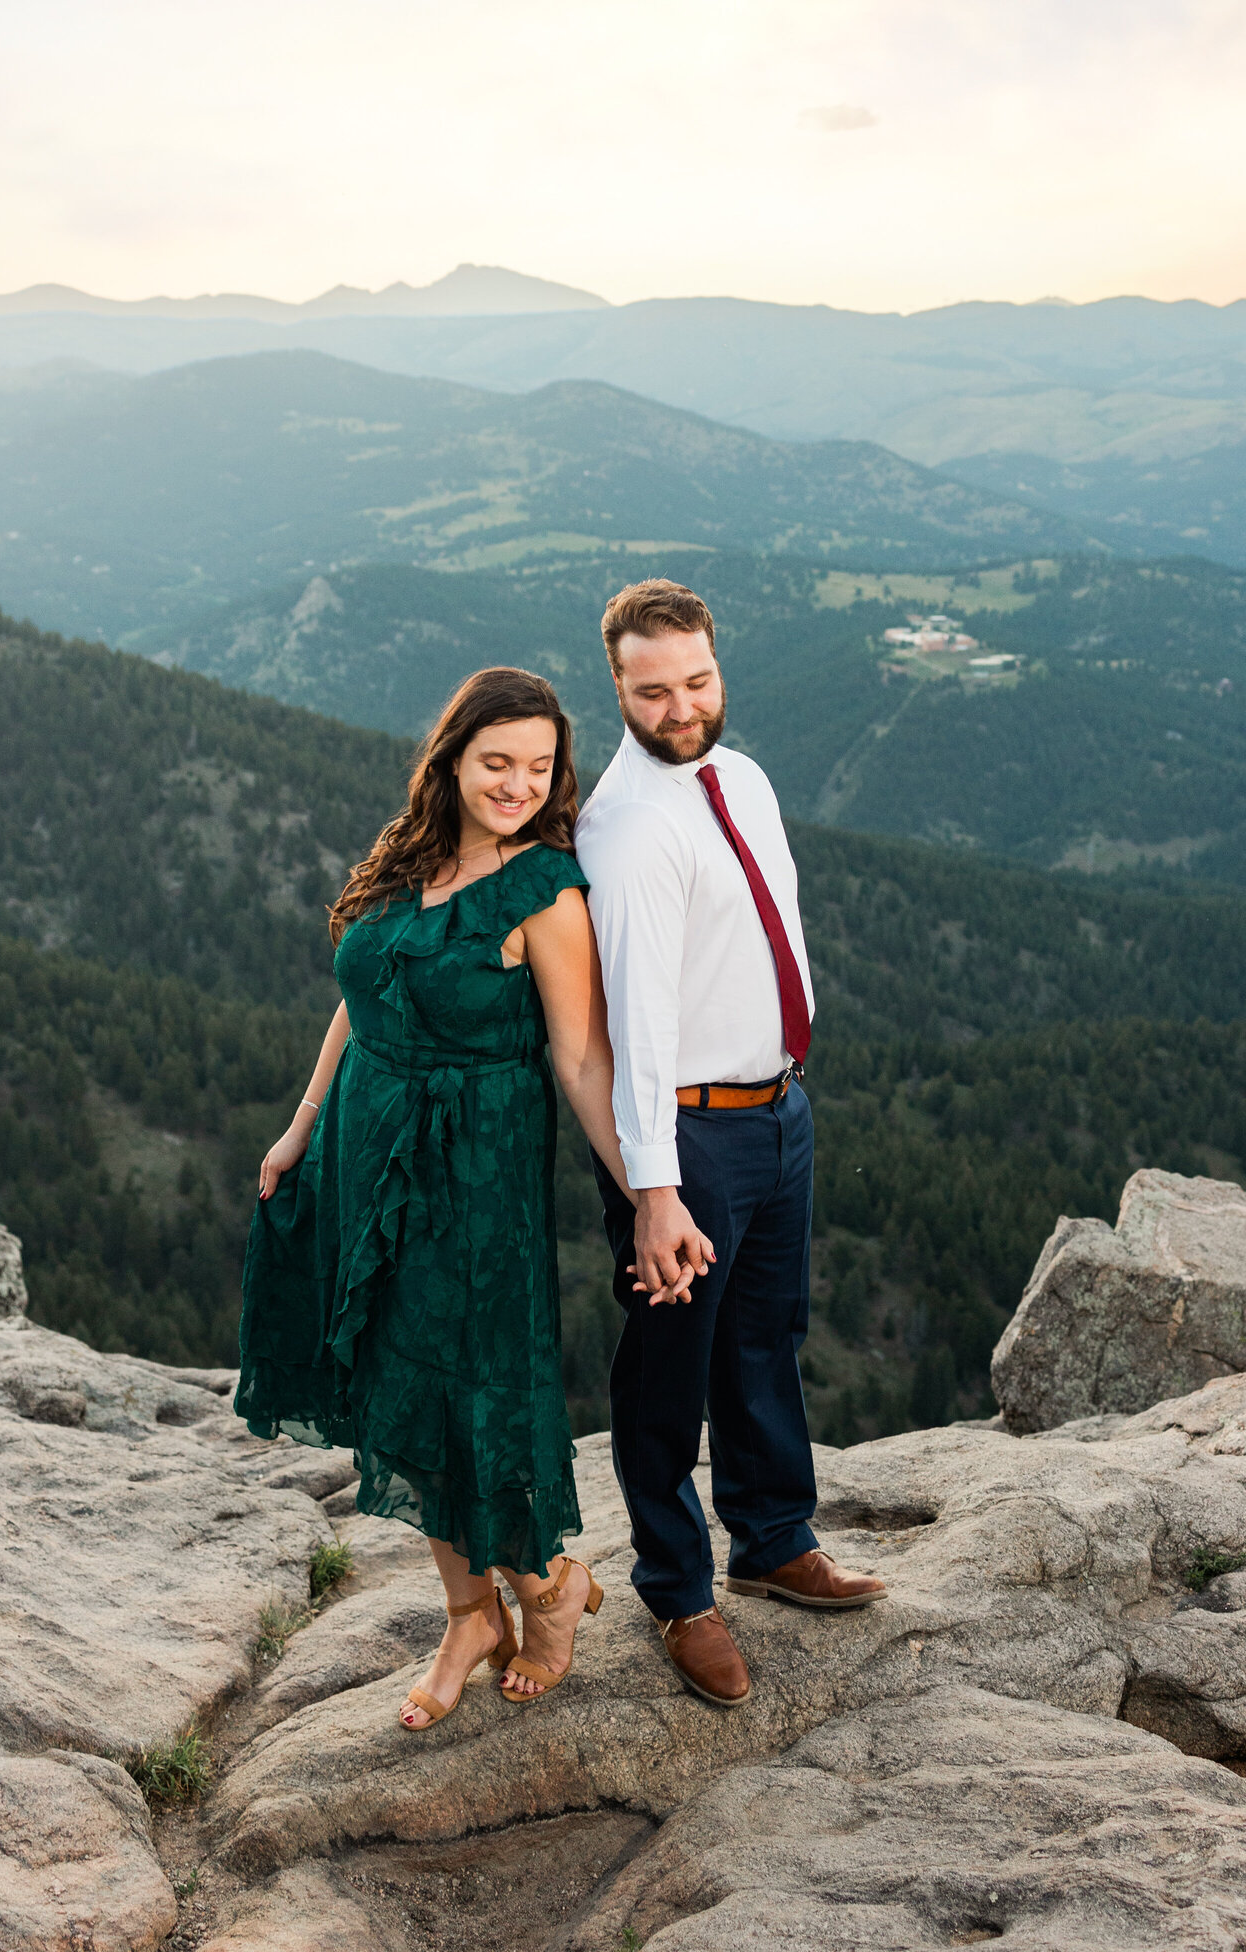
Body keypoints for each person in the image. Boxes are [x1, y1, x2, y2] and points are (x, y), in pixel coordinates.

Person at [235, 667, 630, 1729]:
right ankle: (469, 1610)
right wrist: (302, 1123)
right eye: (496, 762)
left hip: (476, 1175)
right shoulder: (406, 860)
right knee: (393, 1381)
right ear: (451, 758)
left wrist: (648, 1191)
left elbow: (581, 1056)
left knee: (477, 1387)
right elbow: (362, 999)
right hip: (368, 1147)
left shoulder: (545, 888)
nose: (516, 783)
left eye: (537, 767)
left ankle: (549, 1583)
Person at [575, 580, 885, 1707]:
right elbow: (638, 1026)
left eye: (696, 681)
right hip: (688, 1136)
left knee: (766, 1335)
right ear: (617, 688)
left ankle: (770, 1537)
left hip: (776, 1109)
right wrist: (653, 1190)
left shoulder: (739, 779)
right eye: (652, 691)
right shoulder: (627, 828)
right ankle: (677, 1588)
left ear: (719, 664)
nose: (678, 707)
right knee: (667, 1369)